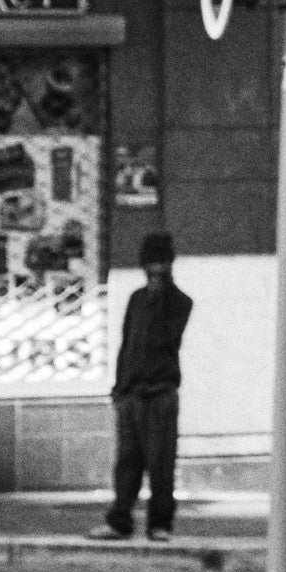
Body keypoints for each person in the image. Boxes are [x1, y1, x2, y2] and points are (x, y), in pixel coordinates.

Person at [102, 232, 191, 541]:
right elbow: (127, 345)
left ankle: (160, 524)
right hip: (132, 394)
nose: (154, 270)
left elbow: (165, 341)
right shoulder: (135, 300)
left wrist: (158, 300)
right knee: (127, 462)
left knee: (160, 463)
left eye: (160, 263)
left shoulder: (179, 303)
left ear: (169, 265)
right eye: (150, 264)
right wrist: (119, 387)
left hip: (161, 393)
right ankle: (120, 520)